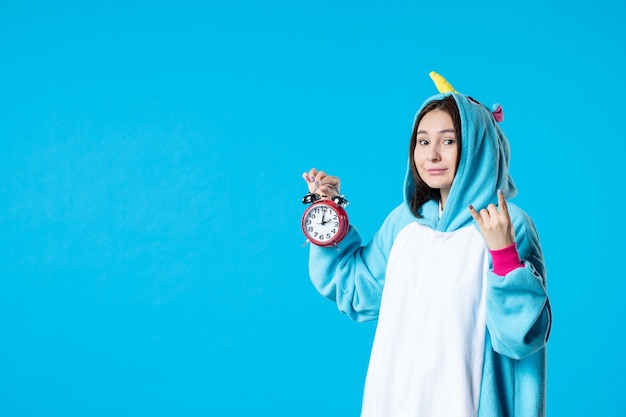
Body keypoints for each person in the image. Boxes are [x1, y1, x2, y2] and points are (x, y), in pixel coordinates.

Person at [301, 72, 551, 417]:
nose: (432, 154)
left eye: (448, 141)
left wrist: (504, 256)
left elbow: (523, 337)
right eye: (422, 141)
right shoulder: (406, 222)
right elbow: (356, 289)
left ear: (476, 145)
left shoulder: (507, 224)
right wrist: (326, 212)